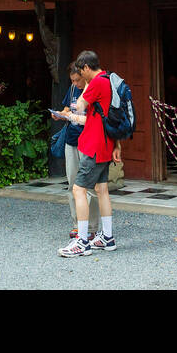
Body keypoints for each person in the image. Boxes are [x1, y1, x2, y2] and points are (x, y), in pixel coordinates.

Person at [54, 50, 119, 256]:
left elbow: (81, 107)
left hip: (93, 144)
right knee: (102, 189)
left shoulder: (97, 82)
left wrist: (84, 93)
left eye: (81, 73)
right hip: (104, 143)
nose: (78, 80)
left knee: (79, 189)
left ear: (86, 68)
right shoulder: (109, 80)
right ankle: (107, 238)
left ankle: (82, 241)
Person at [52, 61, 100, 240]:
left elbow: (95, 118)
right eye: (72, 80)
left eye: (77, 80)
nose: (75, 84)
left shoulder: (92, 89)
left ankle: (92, 226)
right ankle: (76, 224)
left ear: (84, 75)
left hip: (87, 140)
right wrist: (60, 113)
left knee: (89, 186)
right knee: (72, 184)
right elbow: (66, 107)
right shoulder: (72, 90)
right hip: (71, 139)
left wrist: (71, 115)